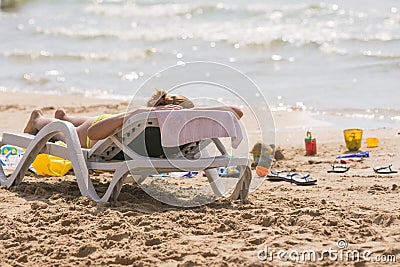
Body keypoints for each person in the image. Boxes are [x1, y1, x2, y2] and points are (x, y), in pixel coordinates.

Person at [23, 90, 243, 149]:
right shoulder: (137, 119)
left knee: (76, 122)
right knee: (63, 132)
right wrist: (132, 114)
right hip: (102, 132)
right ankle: (39, 121)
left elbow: (236, 111)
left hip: (110, 124)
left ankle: (66, 116)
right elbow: (91, 134)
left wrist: (194, 112)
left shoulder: (142, 119)